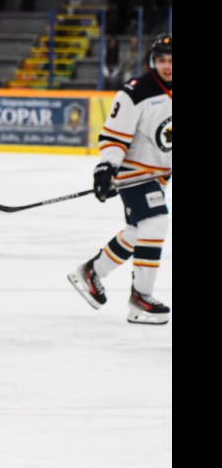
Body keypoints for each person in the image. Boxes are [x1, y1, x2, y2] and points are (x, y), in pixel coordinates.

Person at [67, 34, 172, 325]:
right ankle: (141, 297)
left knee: (138, 233)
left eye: (172, 60)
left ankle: (92, 272)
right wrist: (106, 169)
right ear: (154, 61)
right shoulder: (136, 91)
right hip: (133, 172)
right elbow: (114, 136)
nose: (168, 66)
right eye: (162, 60)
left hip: (158, 175)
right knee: (156, 222)